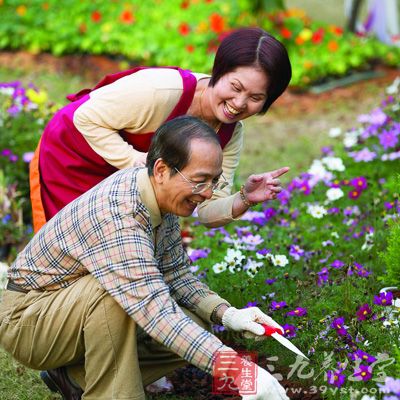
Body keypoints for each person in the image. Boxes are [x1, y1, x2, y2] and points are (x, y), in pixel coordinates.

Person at [1, 117, 289, 400]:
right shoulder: (118, 215)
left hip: (65, 311)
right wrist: (236, 370)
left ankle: (77, 379)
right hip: (28, 323)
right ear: (162, 169)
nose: (208, 193)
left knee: (196, 320)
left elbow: (175, 275)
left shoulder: (156, 194)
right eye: (200, 181)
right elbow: (154, 309)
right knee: (114, 292)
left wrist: (227, 314)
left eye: (213, 182)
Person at [30, 27, 292, 233]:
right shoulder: (161, 91)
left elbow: (208, 209)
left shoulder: (229, 135)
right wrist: (138, 165)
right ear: (219, 71)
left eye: (256, 97)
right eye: (235, 87)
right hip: (74, 153)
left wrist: (245, 198)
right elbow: (84, 117)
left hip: (127, 176)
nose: (239, 104)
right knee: (70, 246)